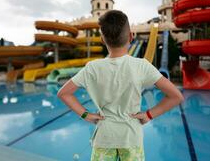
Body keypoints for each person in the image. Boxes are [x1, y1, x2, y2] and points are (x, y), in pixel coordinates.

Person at [58, 10, 184, 161]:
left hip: (104, 138)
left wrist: (86, 115)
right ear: (131, 37)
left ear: (102, 40)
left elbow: (63, 93)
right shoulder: (141, 66)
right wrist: (149, 114)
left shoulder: (92, 67)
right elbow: (176, 96)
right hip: (131, 138)